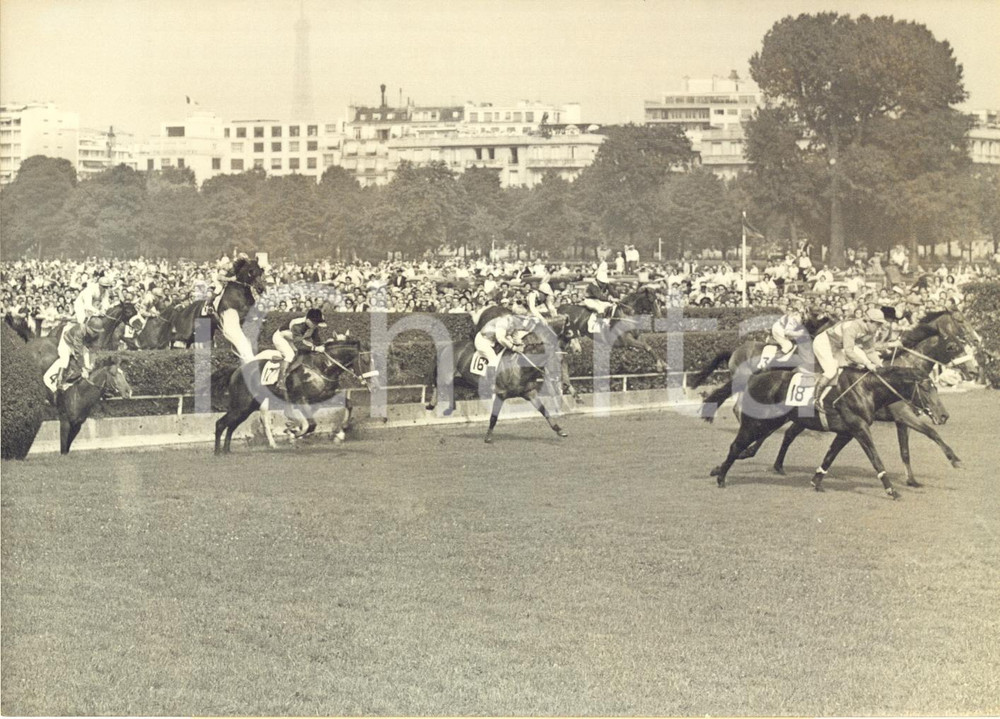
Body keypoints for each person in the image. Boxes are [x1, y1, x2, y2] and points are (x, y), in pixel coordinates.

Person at [811, 307, 888, 413]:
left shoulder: (870, 331)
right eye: (877, 324)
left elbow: (870, 351)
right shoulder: (852, 327)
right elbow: (849, 352)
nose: (879, 327)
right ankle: (815, 399)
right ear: (868, 321)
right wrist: (866, 363)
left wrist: (879, 365)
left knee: (844, 370)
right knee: (831, 370)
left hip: (837, 346)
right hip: (823, 343)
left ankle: (832, 398)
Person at [474, 311, 539, 386]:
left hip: (495, 342)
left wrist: (521, 344)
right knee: (493, 359)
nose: (520, 327)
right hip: (483, 341)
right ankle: (490, 384)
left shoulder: (514, 322)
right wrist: (514, 348)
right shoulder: (503, 322)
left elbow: (515, 337)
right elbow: (500, 338)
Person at [271, 308, 327, 387]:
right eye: (314, 322)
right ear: (308, 320)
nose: (316, 325)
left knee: (303, 355)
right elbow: (299, 345)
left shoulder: (313, 326)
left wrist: (325, 346)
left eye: (317, 323)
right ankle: (280, 381)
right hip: (281, 338)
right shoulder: (297, 325)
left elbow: (317, 342)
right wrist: (315, 348)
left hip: (292, 339)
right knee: (290, 355)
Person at [43, 321, 98, 395]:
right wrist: (83, 368)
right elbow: (78, 352)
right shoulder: (79, 331)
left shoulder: (87, 330)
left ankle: (88, 372)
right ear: (88, 327)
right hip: (66, 343)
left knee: (86, 352)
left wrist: (88, 365)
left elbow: (88, 347)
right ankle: (59, 382)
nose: (95, 333)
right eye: (94, 331)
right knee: (65, 360)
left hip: (74, 343)